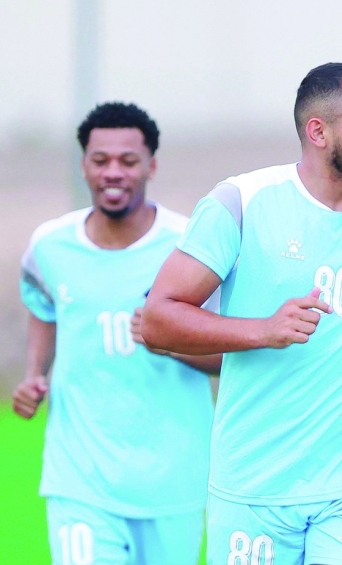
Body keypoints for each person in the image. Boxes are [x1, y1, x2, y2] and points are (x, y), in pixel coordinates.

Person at [140, 63, 342, 565]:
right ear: (318, 132)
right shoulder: (241, 203)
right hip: (255, 482)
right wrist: (262, 330)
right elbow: (158, 319)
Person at [13, 102, 219, 565]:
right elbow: (43, 304)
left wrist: (171, 340)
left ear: (151, 166)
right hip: (79, 481)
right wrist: (34, 374)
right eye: (100, 160)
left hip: (173, 484)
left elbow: (228, 356)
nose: (113, 172)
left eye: (128, 161)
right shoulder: (50, 246)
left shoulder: (190, 247)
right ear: (84, 165)